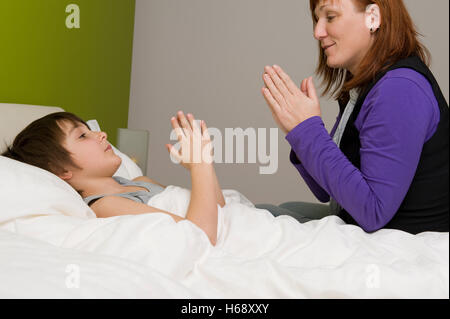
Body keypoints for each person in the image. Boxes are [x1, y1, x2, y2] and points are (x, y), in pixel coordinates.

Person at [257, 0, 449, 234]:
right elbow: (326, 189)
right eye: (317, 19)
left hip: (404, 245)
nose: (318, 32)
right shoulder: (368, 85)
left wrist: (309, 133)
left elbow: (373, 212)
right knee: (279, 211)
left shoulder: (399, 90)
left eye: (330, 17)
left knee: (264, 218)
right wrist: (299, 131)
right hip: (375, 226)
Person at [2, 111, 223, 246]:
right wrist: (199, 166)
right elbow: (199, 237)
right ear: (61, 170)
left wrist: (202, 163)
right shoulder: (106, 204)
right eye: (82, 135)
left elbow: (219, 208)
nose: (101, 134)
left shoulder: (142, 181)